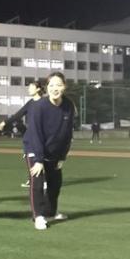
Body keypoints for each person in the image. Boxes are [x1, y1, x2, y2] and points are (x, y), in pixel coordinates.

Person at [25, 72, 75, 230]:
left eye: (59, 85)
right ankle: (38, 216)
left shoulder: (68, 105)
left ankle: (50, 212)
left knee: (55, 184)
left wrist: (62, 156)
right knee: (37, 183)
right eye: (51, 85)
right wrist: (39, 160)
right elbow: (35, 133)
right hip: (35, 148)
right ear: (46, 88)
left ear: (64, 86)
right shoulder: (39, 106)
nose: (55, 88)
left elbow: (67, 132)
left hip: (54, 152)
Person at [0, 79, 45, 187]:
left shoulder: (44, 103)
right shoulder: (30, 103)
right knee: (30, 157)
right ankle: (33, 179)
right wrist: (5, 122)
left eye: (31, 87)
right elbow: (18, 115)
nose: (29, 89)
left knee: (40, 158)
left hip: (40, 136)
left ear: (38, 89)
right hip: (30, 136)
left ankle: (42, 181)